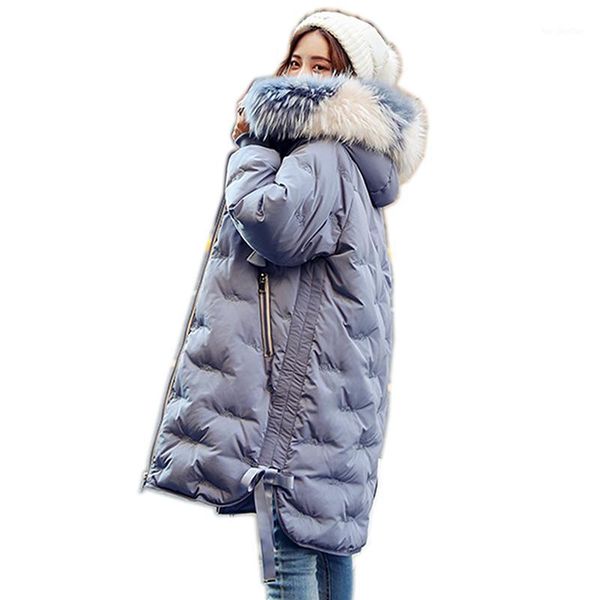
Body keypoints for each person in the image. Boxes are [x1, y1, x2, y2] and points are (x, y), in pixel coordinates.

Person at [141, 8, 428, 600]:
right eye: (294, 61)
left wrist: (250, 142)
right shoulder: (355, 167)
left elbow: (268, 222)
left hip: (298, 401)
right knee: (323, 546)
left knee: (291, 555)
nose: (299, 76)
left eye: (321, 67)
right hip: (332, 404)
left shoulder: (320, 155)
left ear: (352, 85)